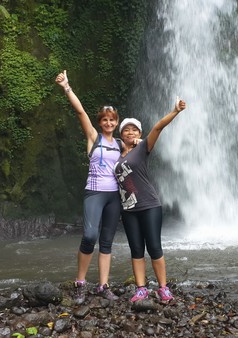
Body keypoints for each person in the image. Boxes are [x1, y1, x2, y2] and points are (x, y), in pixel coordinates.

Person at [55, 70, 122, 304]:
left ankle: (103, 285)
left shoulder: (121, 144)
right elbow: (80, 111)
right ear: (100, 122)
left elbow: (138, 153)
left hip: (114, 196)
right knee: (89, 235)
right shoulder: (94, 137)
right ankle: (81, 282)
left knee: (106, 241)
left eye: (112, 119)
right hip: (94, 192)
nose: (109, 123)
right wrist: (67, 87)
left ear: (116, 122)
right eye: (105, 119)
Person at [114, 98, 187, 302]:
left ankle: (163, 288)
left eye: (134, 130)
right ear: (121, 135)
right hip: (128, 209)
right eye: (126, 130)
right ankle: (141, 288)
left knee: (154, 247)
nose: (130, 132)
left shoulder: (143, 148)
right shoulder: (115, 155)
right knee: (136, 249)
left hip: (149, 205)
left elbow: (158, 127)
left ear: (139, 133)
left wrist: (175, 111)